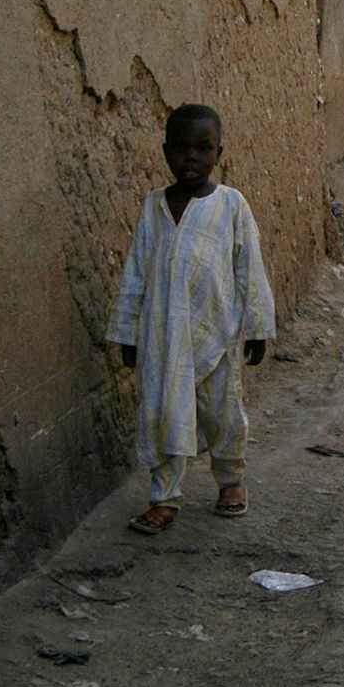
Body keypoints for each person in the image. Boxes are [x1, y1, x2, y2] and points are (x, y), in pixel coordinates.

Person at [108, 104, 275, 535]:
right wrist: (129, 332)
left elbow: (249, 268)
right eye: (181, 149)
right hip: (163, 337)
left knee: (223, 414)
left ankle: (230, 480)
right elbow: (137, 271)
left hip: (216, 333)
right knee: (163, 414)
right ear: (165, 152)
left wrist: (257, 327)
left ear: (219, 153)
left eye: (203, 149)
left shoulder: (231, 205)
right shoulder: (153, 207)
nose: (191, 158)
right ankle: (164, 498)